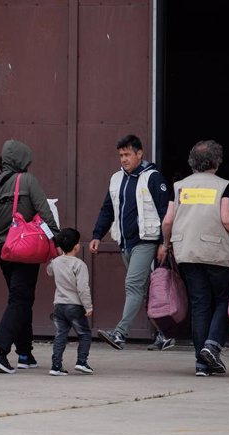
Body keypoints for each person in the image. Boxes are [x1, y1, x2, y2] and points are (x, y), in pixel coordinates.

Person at [161, 140, 229, 376]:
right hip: (218, 253)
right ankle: (212, 345)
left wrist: (166, 244)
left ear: (192, 161)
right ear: (216, 161)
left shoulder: (179, 186)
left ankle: (201, 364)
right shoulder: (225, 186)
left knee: (199, 304)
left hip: (187, 252)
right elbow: (227, 219)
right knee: (224, 299)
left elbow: (167, 221)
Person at [0, 139, 59, 374]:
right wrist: (57, 239)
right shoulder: (27, 180)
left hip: (2, 249)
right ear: (22, 160)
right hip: (26, 247)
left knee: (21, 297)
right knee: (20, 299)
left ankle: (25, 353)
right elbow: (44, 211)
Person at [89, 134, 171, 350]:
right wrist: (97, 234)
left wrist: (165, 242)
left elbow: (165, 213)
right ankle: (164, 334)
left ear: (139, 154)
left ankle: (120, 334)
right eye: (120, 155)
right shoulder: (116, 179)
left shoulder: (153, 178)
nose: (123, 159)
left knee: (133, 285)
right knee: (143, 290)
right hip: (125, 243)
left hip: (146, 242)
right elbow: (107, 209)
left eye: (127, 154)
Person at [46, 228, 94, 376]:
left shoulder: (56, 262)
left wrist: (55, 260)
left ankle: (56, 366)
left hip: (59, 305)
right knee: (84, 333)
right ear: (76, 246)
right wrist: (88, 306)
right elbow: (82, 288)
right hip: (75, 306)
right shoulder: (79, 265)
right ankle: (81, 362)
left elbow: (49, 271)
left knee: (60, 334)